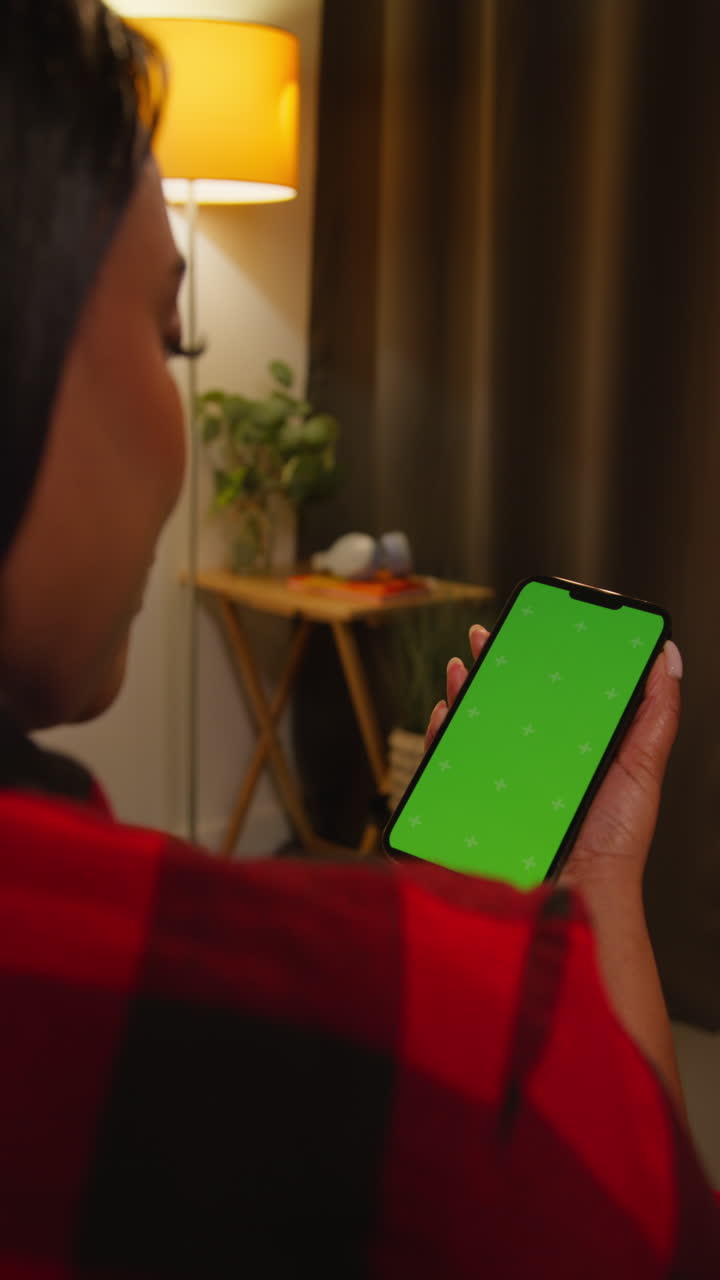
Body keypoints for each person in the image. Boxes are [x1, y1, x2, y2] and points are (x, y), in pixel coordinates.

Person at [0, 3, 717, 1276]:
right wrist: (595, 900)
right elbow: (655, 1228)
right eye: (171, 334)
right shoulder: (440, 1043)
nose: (176, 420)